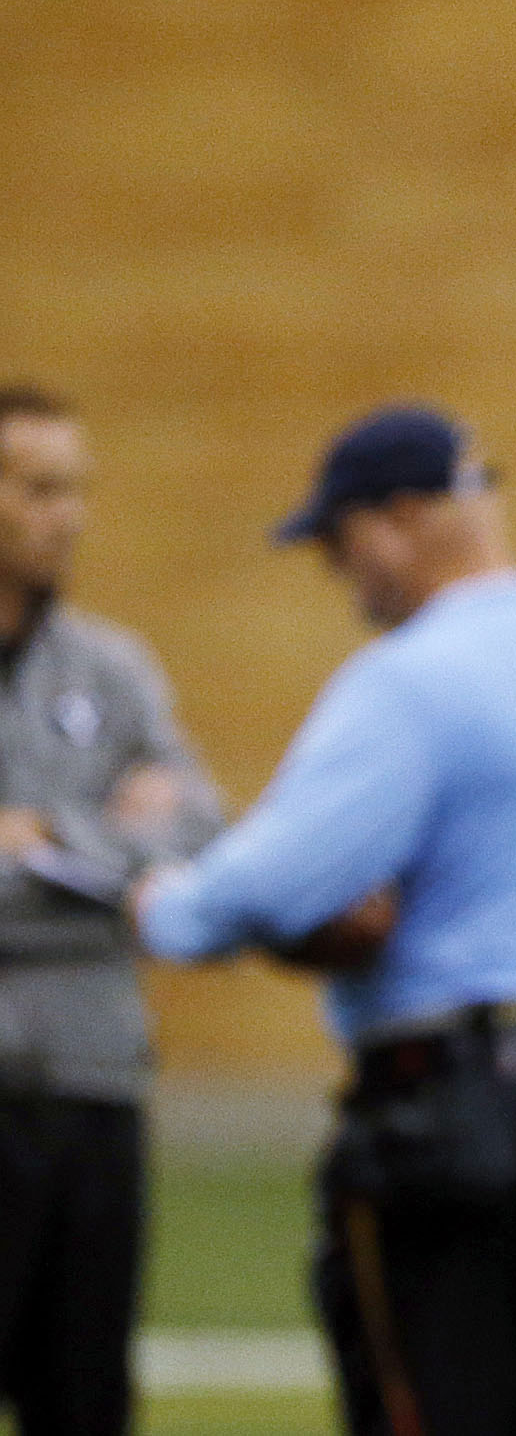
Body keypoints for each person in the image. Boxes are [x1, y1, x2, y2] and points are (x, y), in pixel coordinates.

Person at [136, 405, 516, 1436]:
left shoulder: (410, 682)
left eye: (339, 544)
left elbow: (259, 888)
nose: (343, 573)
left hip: (449, 1111)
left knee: (429, 1406)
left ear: (397, 518)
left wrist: (156, 889)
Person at [0, 385, 218, 1436]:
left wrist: (44, 836)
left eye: (74, 488)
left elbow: (199, 832)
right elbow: (143, 847)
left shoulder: (111, 667)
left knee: (85, 1399)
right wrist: (108, 845)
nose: (68, 514)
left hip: (95, 1086)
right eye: (40, 488)